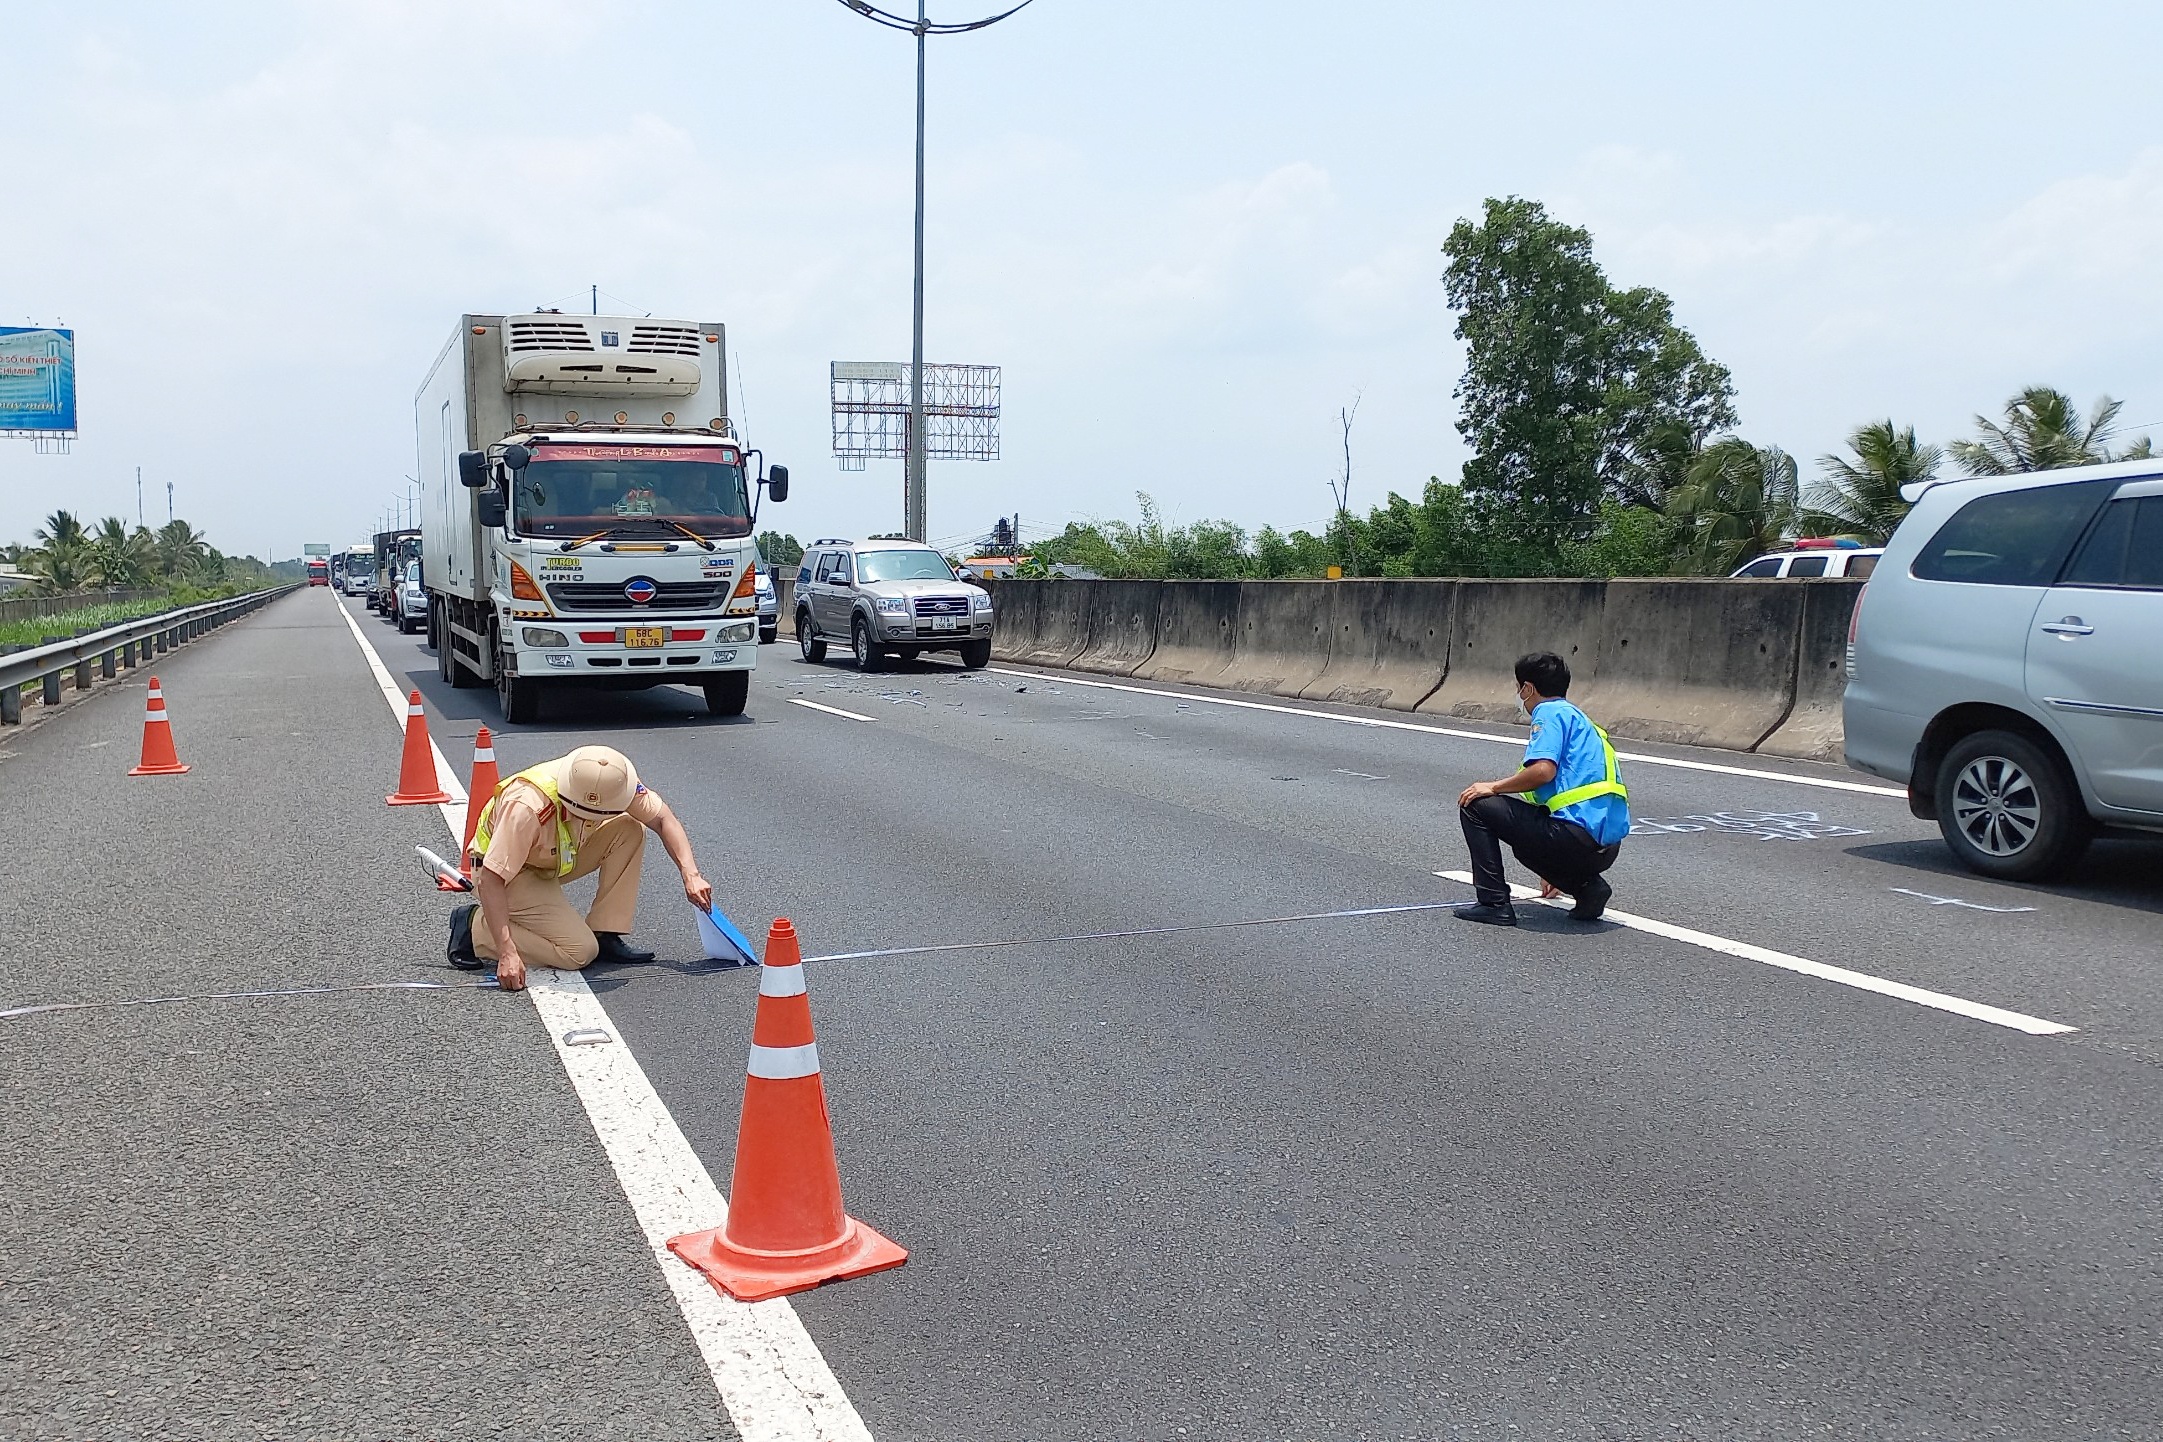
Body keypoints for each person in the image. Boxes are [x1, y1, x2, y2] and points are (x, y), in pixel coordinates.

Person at [445, 745, 713, 992]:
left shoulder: (614, 781)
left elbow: (663, 819)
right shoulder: (526, 805)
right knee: (578, 952)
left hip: (558, 855)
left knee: (630, 829)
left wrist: (691, 875)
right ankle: (474, 927)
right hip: (510, 873)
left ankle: (605, 932)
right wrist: (507, 952)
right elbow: (492, 878)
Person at [1454, 652, 1629, 926]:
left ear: (1528, 688)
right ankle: (1588, 888)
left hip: (1572, 838)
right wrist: (1552, 864)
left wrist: (1494, 787)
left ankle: (1493, 903)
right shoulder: (1581, 720)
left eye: (1518, 687)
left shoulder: (1547, 714)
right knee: (1525, 847)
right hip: (1604, 847)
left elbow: (1543, 771)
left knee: (1476, 803)